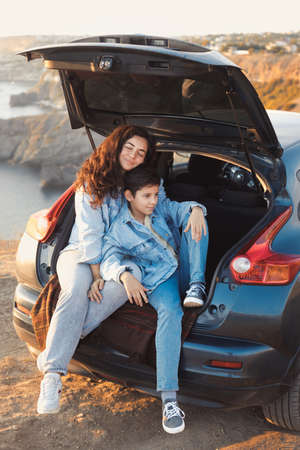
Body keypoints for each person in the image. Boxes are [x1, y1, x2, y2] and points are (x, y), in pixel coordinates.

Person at [36, 125, 207, 416]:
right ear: (116, 146)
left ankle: (59, 343)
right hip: (82, 254)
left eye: (141, 152)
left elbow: (163, 207)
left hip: (122, 258)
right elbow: (90, 236)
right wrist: (95, 275)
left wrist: (195, 208)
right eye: (129, 148)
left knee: (131, 279)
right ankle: (52, 375)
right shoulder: (91, 182)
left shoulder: (140, 183)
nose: (133, 155)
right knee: (76, 290)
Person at [96, 165, 208, 434]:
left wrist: (194, 209)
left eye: (156, 195)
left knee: (197, 218)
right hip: (160, 280)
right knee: (170, 312)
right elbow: (108, 259)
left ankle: (197, 284)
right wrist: (124, 276)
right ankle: (169, 400)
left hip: (184, 267)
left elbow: (179, 208)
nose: (153, 202)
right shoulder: (119, 230)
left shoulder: (161, 207)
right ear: (129, 196)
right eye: (147, 196)